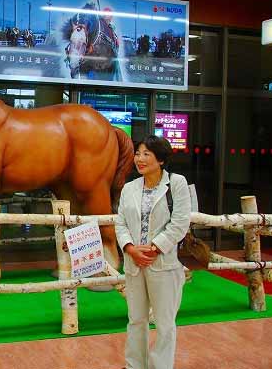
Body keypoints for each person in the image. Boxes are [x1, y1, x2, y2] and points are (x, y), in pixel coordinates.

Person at [115, 135, 191, 369]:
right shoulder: (129, 188)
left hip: (164, 264)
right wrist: (130, 248)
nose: (140, 159)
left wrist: (154, 248)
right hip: (134, 264)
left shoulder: (176, 183)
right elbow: (120, 223)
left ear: (161, 160)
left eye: (146, 154)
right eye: (138, 154)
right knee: (136, 320)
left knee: (165, 323)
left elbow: (180, 223)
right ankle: (134, 365)